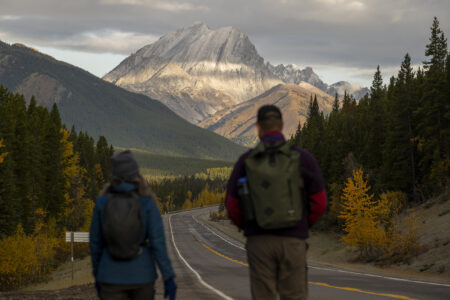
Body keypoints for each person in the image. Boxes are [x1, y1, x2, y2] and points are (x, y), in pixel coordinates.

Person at [226, 105, 327, 300]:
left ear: (258, 127)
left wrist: (249, 227)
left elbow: (232, 205)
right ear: (281, 125)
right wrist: (302, 225)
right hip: (293, 241)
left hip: (259, 242)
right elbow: (320, 202)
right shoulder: (302, 158)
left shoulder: (246, 161)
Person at [89, 150, 177, 300]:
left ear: (114, 175)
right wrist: (168, 276)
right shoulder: (146, 202)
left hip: (110, 277)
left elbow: (95, 243)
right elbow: (158, 243)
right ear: (136, 173)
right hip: (142, 277)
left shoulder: (102, 202)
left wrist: (98, 274)